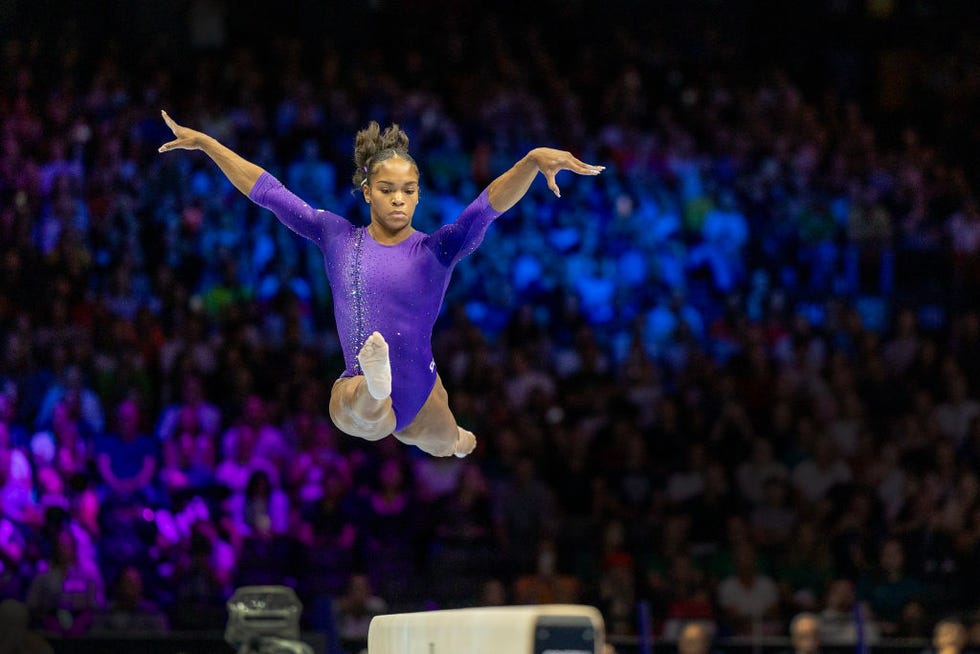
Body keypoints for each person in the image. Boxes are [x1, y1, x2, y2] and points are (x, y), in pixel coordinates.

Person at [159, 110, 603, 457]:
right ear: (367, 190)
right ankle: (374, 386)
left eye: (409, 189)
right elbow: (269, 192)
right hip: (362, 386)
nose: (399, 198)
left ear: (419, 194)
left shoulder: (437, 249)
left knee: (446, 441)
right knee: (358, 414)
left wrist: (529, 162)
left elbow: (487, 205)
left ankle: (446, 432)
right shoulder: (336, 236)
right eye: (387, 188)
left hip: (420, 390)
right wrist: (207, 144)